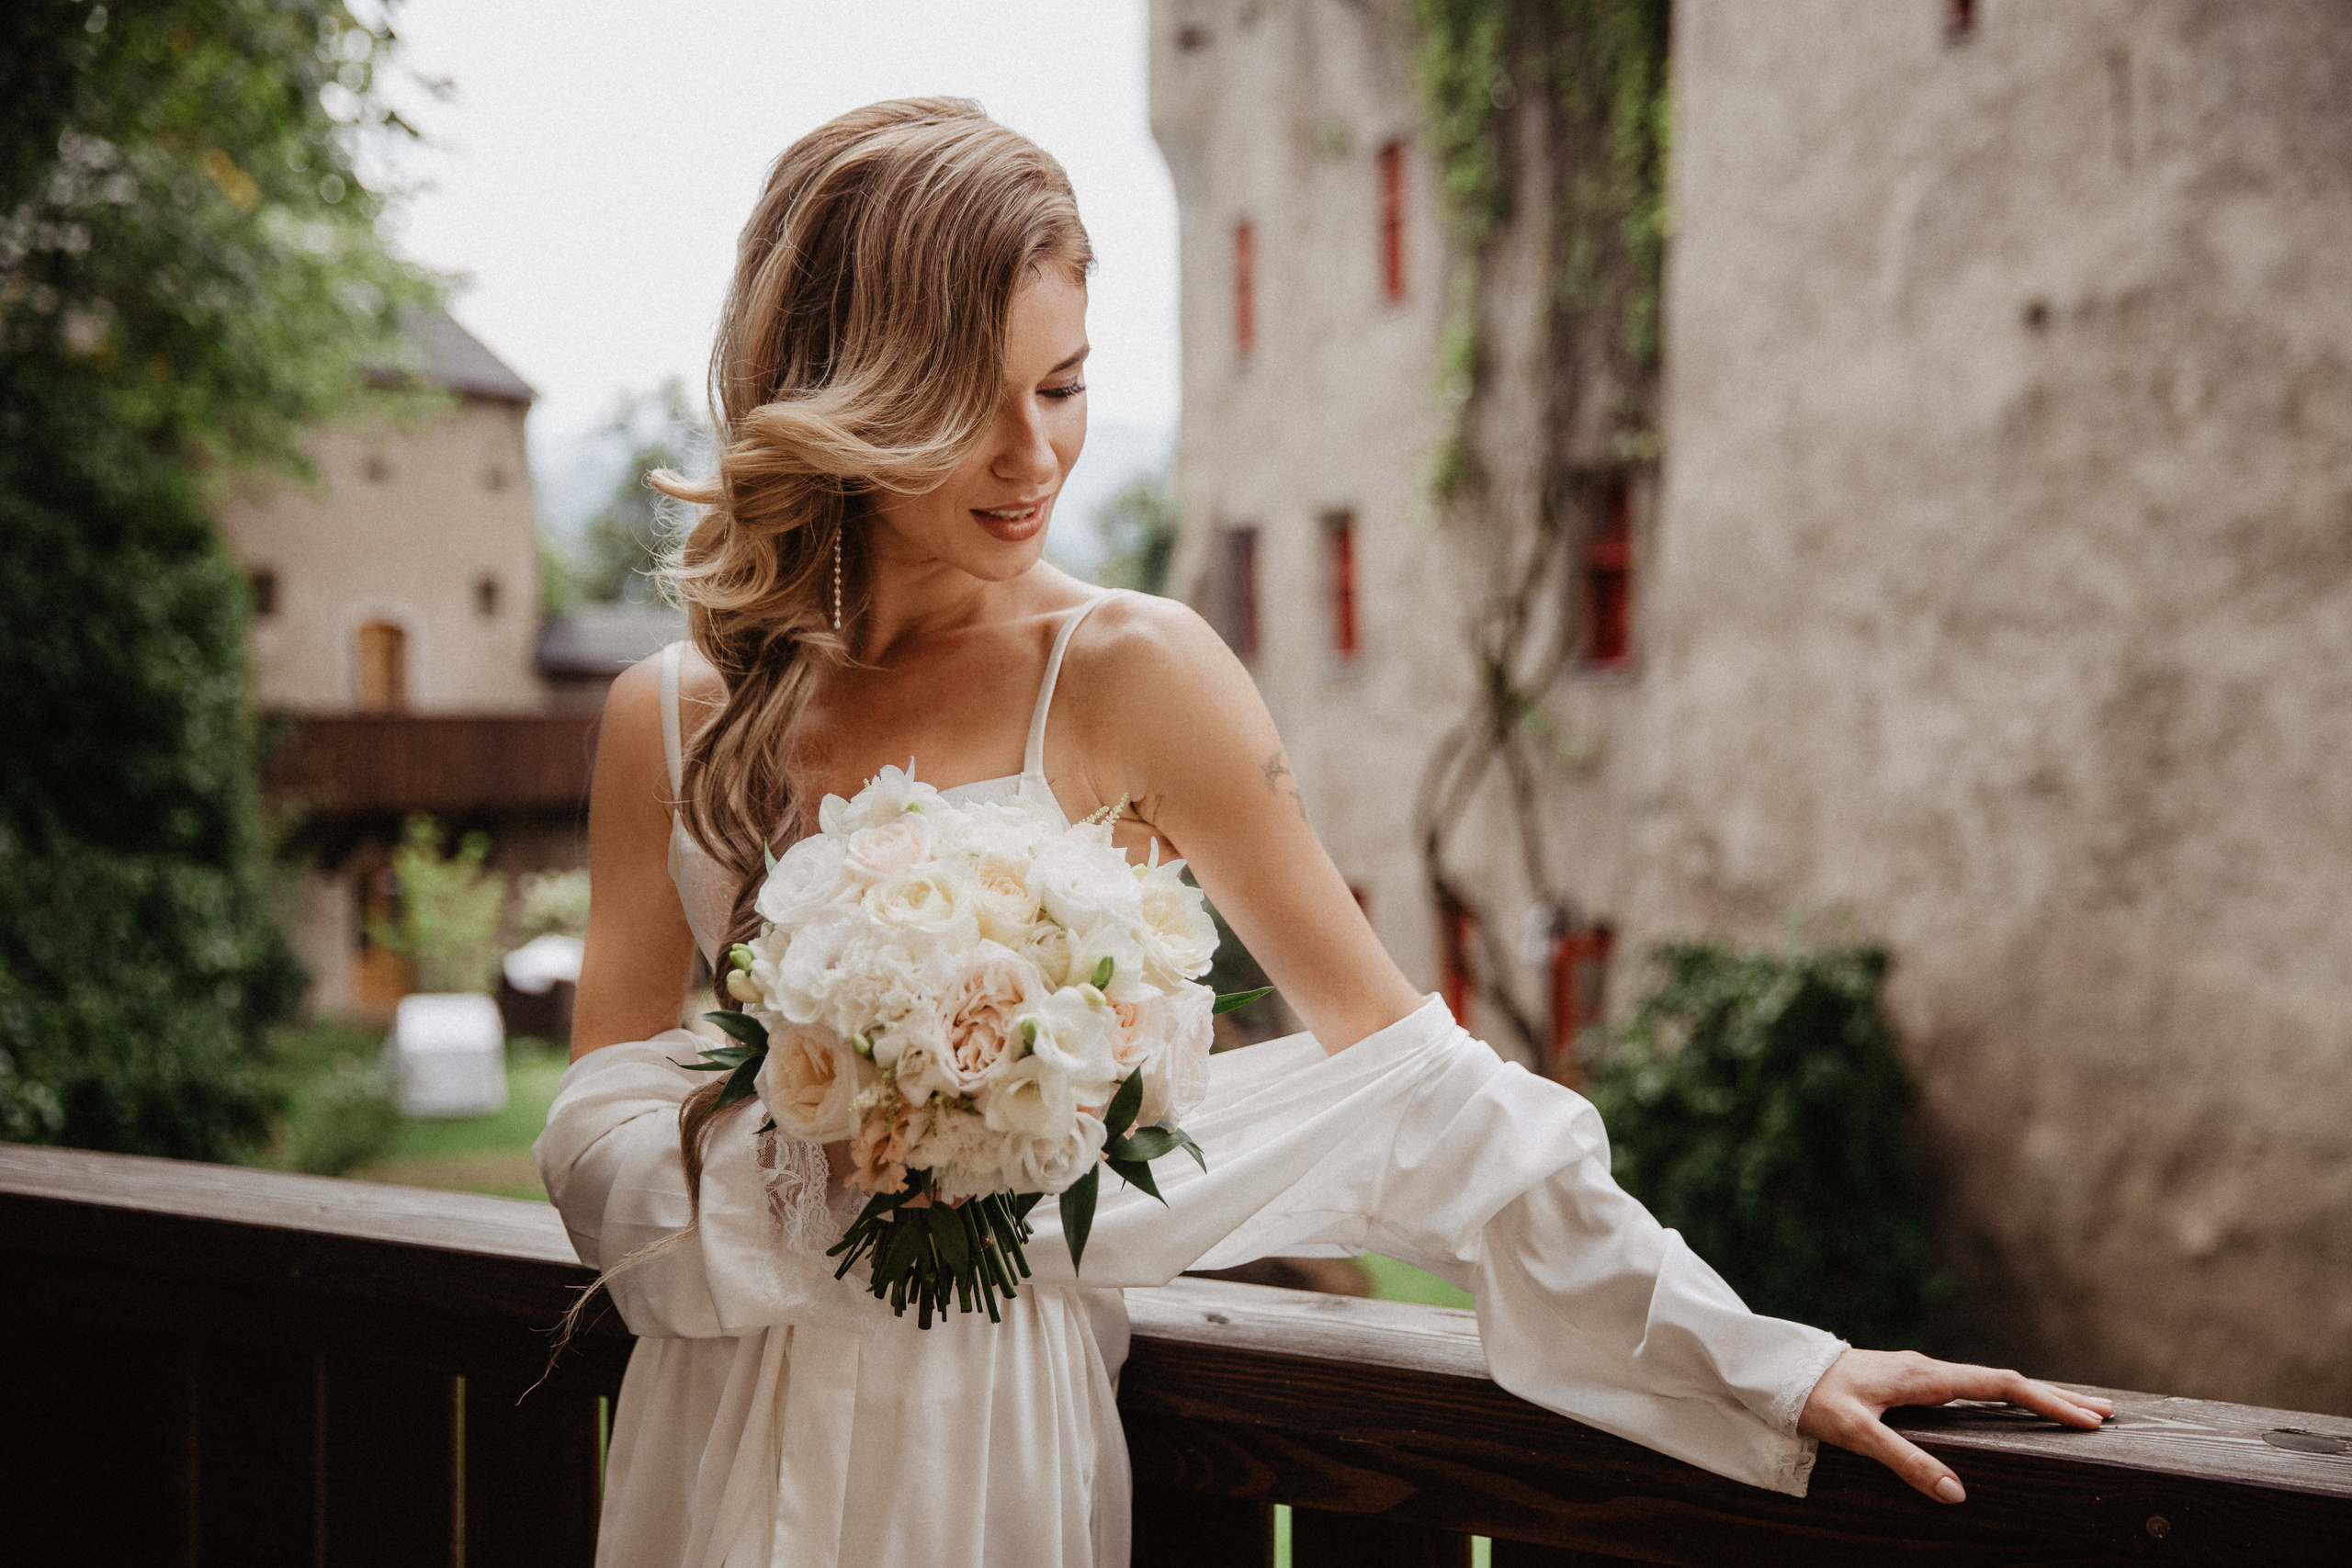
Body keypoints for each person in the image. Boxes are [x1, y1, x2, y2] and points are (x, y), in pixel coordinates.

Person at [535, 98, 2109, 1568]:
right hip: (711, 1422)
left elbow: (1415, 1080)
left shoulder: (1134, 671)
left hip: (986, 1429)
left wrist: (1767, 1365)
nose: (1034, 457)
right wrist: (838, 1146)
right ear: (849, 398)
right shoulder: (669, 715)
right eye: (967, 405)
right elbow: (598, 1122)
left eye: (1064, 387)